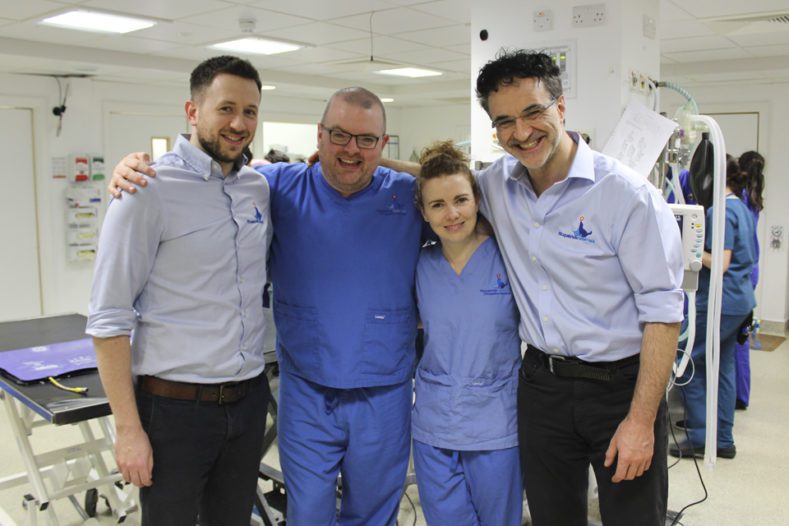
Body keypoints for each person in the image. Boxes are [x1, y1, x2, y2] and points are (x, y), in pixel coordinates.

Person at [108, 87, 422, 525]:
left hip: (384, 394)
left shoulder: (410, 197)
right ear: (319, 135)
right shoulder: (275, 186)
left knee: (371, 516)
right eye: (340, 135)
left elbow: (461, 183)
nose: (351, 149)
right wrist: (135, 168)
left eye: (367, 139)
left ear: (384, 144)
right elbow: (216, 175)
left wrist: (378, 161)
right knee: (307, 513)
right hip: (307, 392)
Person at [474, 51, 683, 526]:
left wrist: (641, 421)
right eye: (504, 121)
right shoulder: (496, 186)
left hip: (620, 391)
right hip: (541, 387)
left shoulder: (625, 196)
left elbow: (664, 313)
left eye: (533, 113)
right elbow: (439, 186)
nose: (521, 132)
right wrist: (363, 159)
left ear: (561, 107)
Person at [86, 56, 273, 525]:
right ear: (192, 112)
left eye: (250, 111)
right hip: (173, 411)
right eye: (225, 108)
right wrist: (128, 429)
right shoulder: (145, 188)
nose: (239, 123)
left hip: (247, 402)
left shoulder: (257, 187)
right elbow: (108, 317)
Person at [412, 141, 522, 525]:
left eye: (460, 199)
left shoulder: (508, 257)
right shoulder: (419, 266)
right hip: (433, 425)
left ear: (478, 199)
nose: (452, 214)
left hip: (496, 426)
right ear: (423, 212)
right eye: (437, 205)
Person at [670, 157, 757, 460]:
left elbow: (720, 263)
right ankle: (722, 437)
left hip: (722, 300)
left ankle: (698, 436)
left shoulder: (720, 210)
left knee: (686, 363)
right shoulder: (742, 208)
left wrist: (685, 249)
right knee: (723, 367)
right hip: (740, 299)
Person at [734, 150, 765, 410]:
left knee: (737, 340)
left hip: (739, 273)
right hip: (750, 271)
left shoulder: (738, 200)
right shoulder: (755, 199)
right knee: (741, 337)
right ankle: (741, 395)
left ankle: (736, 395)